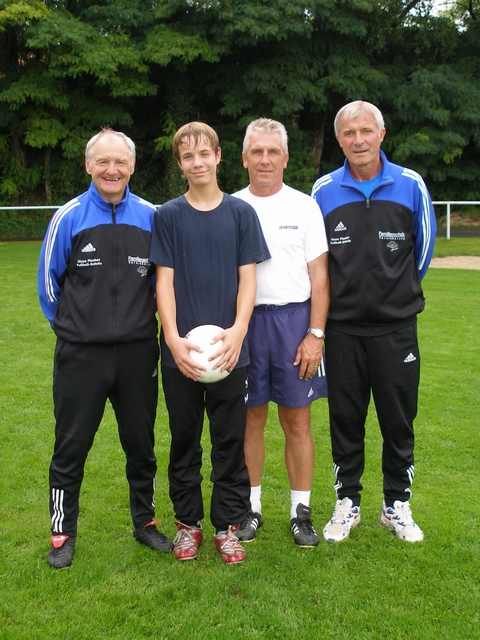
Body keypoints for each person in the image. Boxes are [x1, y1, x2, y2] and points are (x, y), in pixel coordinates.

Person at [38, 128, 173, 569]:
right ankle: (63, 533)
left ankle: (145, 523)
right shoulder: (69, 216)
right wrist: (76, 329)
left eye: (120, 162)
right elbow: (49, 286)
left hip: (137, 353)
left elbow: (162, 284)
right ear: (88, 165)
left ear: (132, 166)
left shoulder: (152, 216)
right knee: (71, 445)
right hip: (81, 355)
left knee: (141, 444)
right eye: (103, 161)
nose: (111, 170)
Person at [311, 100, 436, 543]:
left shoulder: (410, 184)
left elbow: (422, 253)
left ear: (381, 134)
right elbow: (317, 259)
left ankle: (396, 504)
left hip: (396, 328)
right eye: (349, 133)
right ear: (339, 139)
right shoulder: (323, 190)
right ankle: (347, 502)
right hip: (342, 329)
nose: (358, 140)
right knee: (345, 418)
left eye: (366, 131)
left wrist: (393, 295)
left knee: (398, 419)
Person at [149, 122, 270, 564]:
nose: (197, 162)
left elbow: (248, 281)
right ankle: (188, 525)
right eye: (188, 156)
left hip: (230, 352)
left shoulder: (241, 213)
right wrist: (172, 339)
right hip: (181, 355)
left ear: (219, 156)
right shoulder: (167, 216)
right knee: (184, 440)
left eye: (204, 154)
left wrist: (238, 332)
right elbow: (164, 282)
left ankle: (227, 526)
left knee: (229, 441)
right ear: (179, 164)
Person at [233, 118, 329, 547]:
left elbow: (320, 277)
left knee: (296, 419)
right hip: (246, 323)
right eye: (257, 151)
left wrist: (316, 333)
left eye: (273, 151)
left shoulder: (304, 206)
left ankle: (300, 512)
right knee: (250, 418)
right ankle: (250, 508)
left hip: (294, 324)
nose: (265, 159)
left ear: (286, 158)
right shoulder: (231, 206)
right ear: (244, 158)